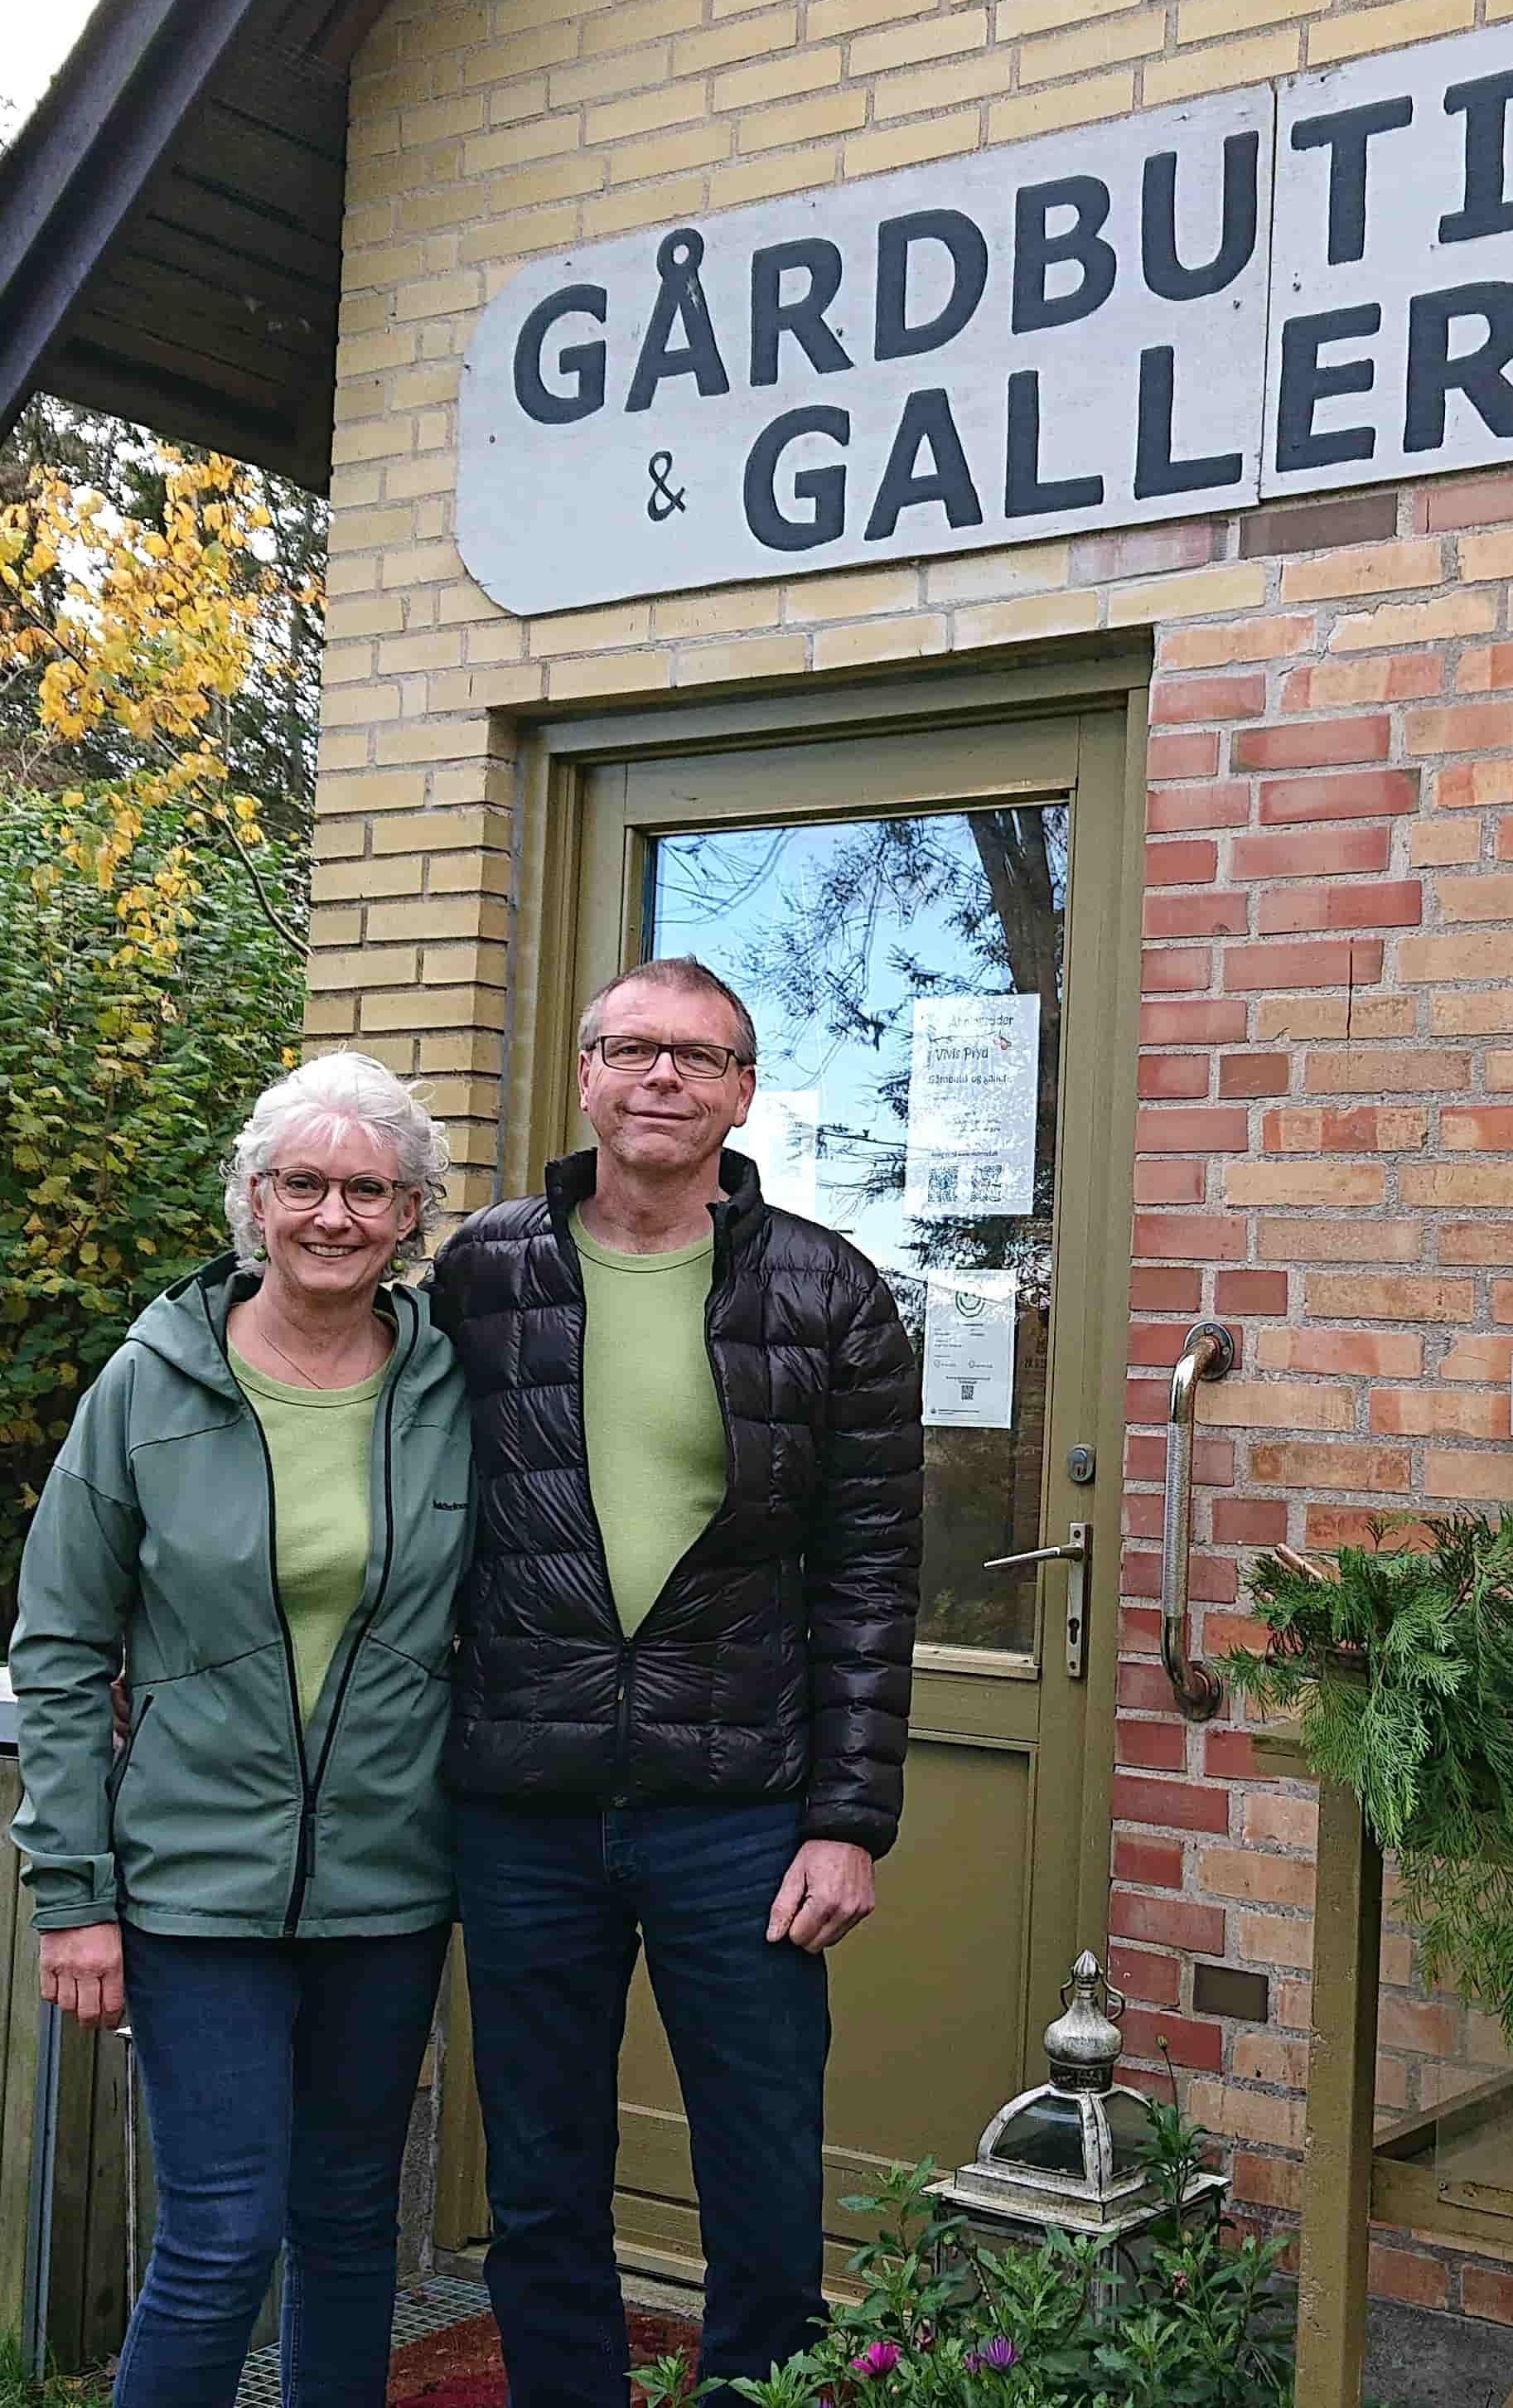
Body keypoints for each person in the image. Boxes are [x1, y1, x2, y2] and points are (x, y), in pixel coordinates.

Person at [432, 955, 924, 2408]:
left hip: (743, 1809)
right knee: (540, 2174)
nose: (664, 1077)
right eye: (633, 1049)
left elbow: (872, 1573)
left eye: (699, 1058)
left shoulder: (828, 1288)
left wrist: (849, 1815)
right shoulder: (483, 1270)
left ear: (743, 1092)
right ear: (583, 1074)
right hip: (526, 1797)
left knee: (764, 2172)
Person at [9, 1053, 475, 2408]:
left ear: (411, 1217)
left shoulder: (453, 1391)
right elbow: (58, 1645)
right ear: (253, 1200)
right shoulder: (148, 1386)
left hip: (390, 1883)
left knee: (348, 2233)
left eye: (369, 1189)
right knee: (218, 2238)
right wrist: (72, 1897)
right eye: (303, 1183)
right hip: (192, 1887)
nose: (334, 1214)